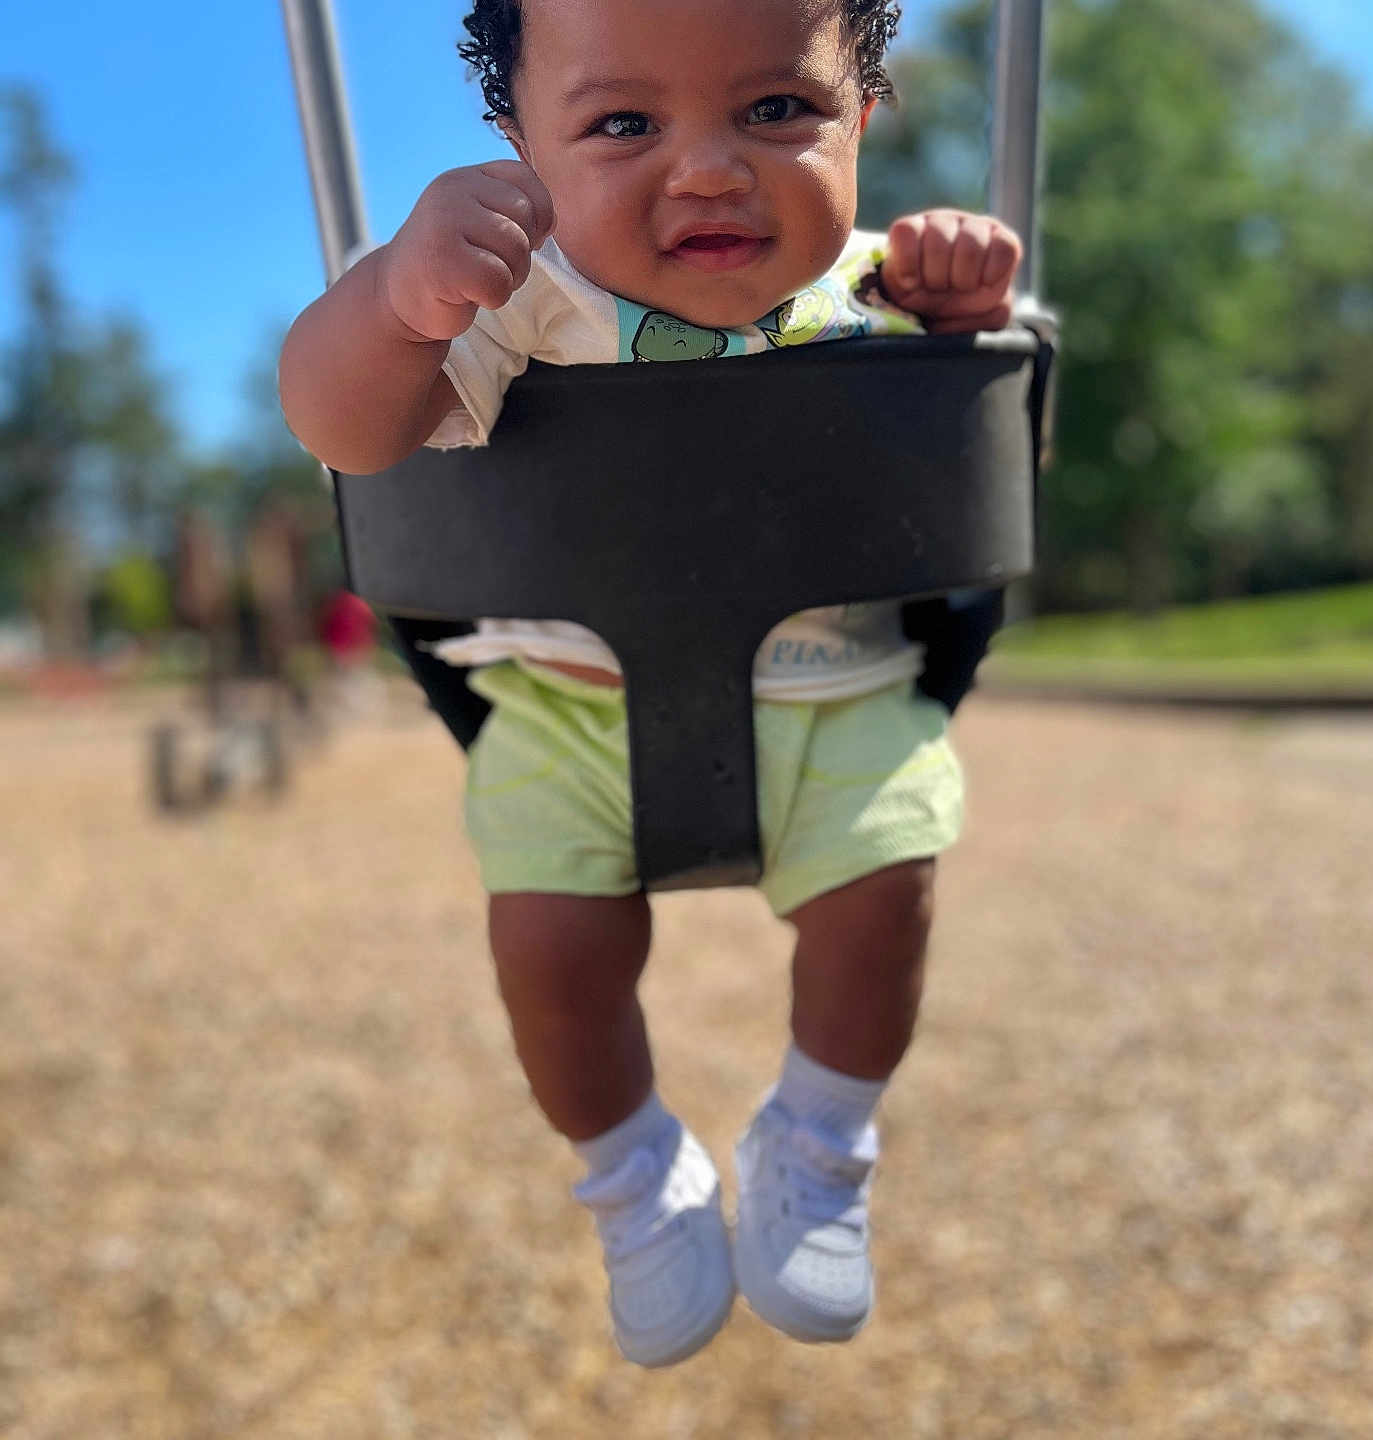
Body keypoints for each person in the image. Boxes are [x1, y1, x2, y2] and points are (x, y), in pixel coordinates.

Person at [279, 0, 1021, 1368]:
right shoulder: (511, 311)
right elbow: (344, 431)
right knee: (552, 960)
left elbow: (969, 428)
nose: (706, 169)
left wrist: (966, 309)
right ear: (519, 148)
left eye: (777, 111)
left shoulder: (875, 290)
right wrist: (393, 306)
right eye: (624, 124)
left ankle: (819, 1139)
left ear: (867, 112)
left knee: (887, 904)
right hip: (572, 713)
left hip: (839, 687)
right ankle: (634, 1176)